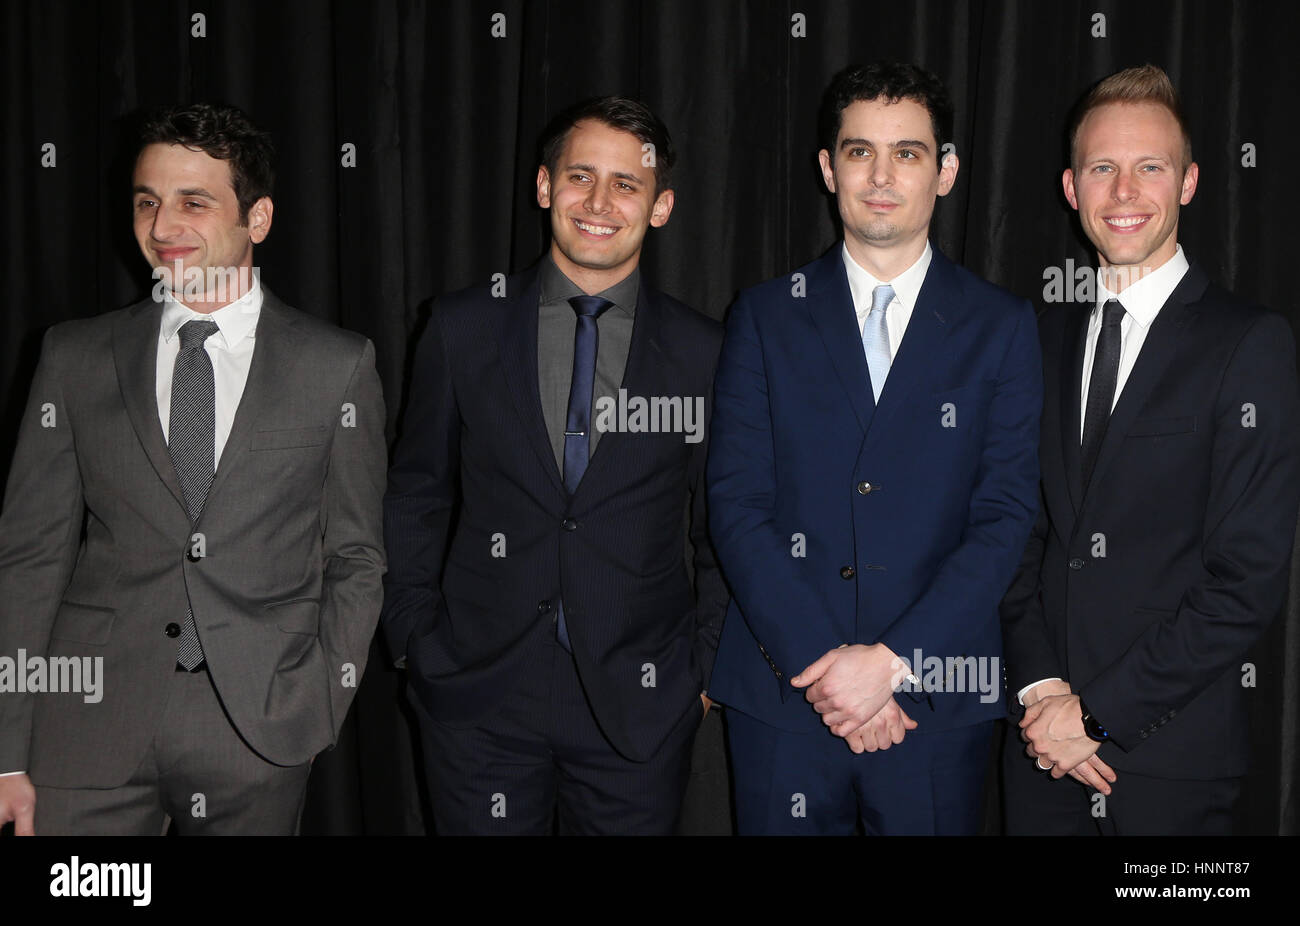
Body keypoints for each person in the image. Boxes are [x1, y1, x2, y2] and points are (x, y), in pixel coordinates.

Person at [0, 103, 386, 835]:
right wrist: (4, 751)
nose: (163, 225)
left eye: (193, 202)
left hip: (257, 728)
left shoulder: (335, 367)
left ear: (259, 218)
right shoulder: (74, 356)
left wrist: (318, 698)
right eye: (147, 201)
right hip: (83, 723)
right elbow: (28, 557)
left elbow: (358, 555)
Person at [706, 62, 1042, 835]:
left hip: (934, 703)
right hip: (784, 698)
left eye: (909, 153)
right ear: (829, 168)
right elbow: (736, 504)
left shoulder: (1002, 325)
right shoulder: (763, 316)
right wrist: (831, 671)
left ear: (946, 171)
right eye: (860, 152)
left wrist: (893, 665)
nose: (882, 176)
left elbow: (1003, 516)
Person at [381, 96, 727, 835]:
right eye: (579, 177)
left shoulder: (707, 352)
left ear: (660, 206)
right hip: (476, 697)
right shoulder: (462, 326)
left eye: (626, 185)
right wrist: (415, 642)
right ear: (544, 187)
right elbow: (416, 493)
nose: (599, 203)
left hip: (640, 702)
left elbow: (722, 525)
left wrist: (701, 673)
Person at [1001, 64, 1300, 835]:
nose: (1124, 192)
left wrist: (1096, 713)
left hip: (1170, 765)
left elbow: (1247, 579)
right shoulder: (1037, 339)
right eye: (1102, 168)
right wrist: (1041, 692)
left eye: (1150, 168)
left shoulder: (1248, 343)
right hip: (1038, 761)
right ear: (1072, 189)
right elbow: (1017, 535)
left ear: (1191, 182)